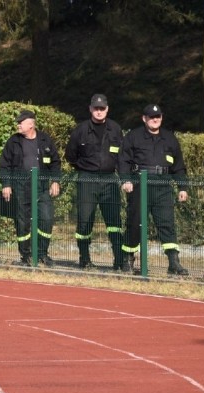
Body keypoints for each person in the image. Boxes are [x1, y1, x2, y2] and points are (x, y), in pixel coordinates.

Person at [118, 104, 189, 276]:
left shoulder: (169, 138)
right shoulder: (133, 136)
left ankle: (174, 262)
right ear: (144, 119)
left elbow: (179, 166)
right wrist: (126, 180)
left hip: (163, 187)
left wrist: (183, 187)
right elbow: (123, 160)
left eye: (157, 117)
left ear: (161, 118)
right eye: (151, 117)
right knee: (135, 223)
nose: (155, 119)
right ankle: (128, 259)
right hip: (139, 187)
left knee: (167, 223)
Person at [64, 94, 125, 270]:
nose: (99, 112)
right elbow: (70, 155)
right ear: (90, 109)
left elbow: (122, 156)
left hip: (109, 180)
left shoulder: (115, 128)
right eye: (96, 108)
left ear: (107, 109)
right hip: (87, 178)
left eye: (102, 108)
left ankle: (119, 260)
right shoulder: (81, 129)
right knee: (84, 220)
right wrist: (83, 168)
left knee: (114, 221)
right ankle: (84, 258)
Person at [0, 109, 62, 266]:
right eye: (18, 122)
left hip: (41, 188)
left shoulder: (45, 140)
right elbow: (4, 165)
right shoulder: (13, 141)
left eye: (21, 122)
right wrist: (6, 184)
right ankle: (26, 255)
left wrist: (55, 181)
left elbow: (55, 162)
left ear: (31, 124)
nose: (18, 125)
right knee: (22, 223)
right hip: (20, 188)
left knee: (46, 219)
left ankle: (42, 254)